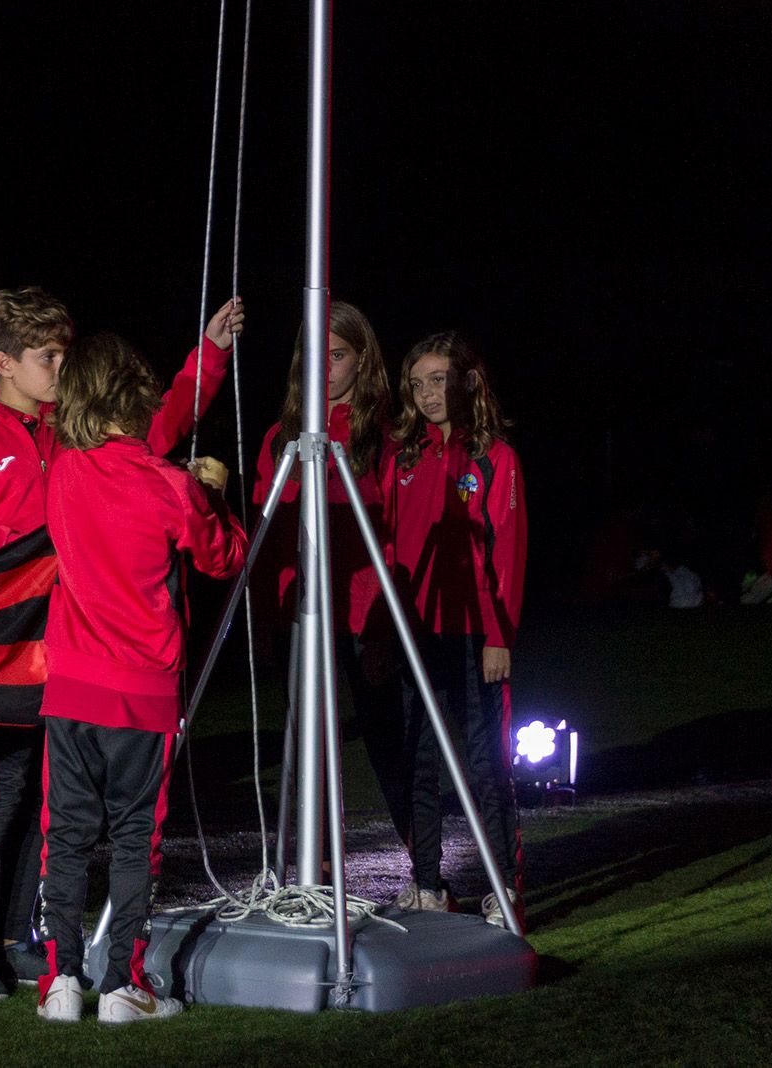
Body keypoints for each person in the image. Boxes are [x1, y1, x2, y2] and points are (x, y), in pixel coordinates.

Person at [0, 287, 244, 1000]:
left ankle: (22, 940)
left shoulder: (73, 441)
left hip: (70, 655)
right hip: (7, 650)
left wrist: (211, 356)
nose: (63, 367)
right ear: (6, 364)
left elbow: (152, 431)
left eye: (68, 354)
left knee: (53, 808)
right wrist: (30, 549)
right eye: (49, 357)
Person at [34, 333, 248, 1023]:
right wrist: (210, 494)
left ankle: (61, 981)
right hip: (141, 690)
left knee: (65, 836)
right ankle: (123, 986)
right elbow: (224, 557)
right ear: (135, 396)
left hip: (70, 685)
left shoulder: (64, 470)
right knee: (134, 840)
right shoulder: (168, 484)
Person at [250, 302, 409, 868]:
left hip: (366, 615)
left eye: (337, 355)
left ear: (361, 359)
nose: (325, 368)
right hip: (303, 613)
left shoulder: (383, 436)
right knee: (307, 746)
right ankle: (313, 871)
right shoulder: (281, 437)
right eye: (314, 356)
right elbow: (268, 538)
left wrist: (386, 626)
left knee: (389, 740)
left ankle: (429, 868)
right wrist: (268, 618)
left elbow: (396, 536)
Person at [383, 331, 527, 927]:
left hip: (475, 633)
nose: (426, 394)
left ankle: (502, 888)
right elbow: (389, 547)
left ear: (466, 380)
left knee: (484, 762)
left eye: (437, 379)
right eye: (416, 384)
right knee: (418, 760)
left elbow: (507, 552)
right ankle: (426, 884)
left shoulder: (493, 456)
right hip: (419, 635)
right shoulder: (405, 455)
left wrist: (499, 636)